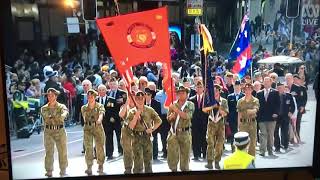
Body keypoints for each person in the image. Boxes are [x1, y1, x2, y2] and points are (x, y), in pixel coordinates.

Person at [127, 90, 162, 173]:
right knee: (137, 160)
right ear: (135, 99)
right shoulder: (132, 111)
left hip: (147, 137)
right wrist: (136, 115)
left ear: (144, 98)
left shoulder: (149, 110)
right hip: (136, 137)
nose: (140, 100)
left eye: (142, 98)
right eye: (138, 98)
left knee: (148, 160)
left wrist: (152, 129)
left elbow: (159, 121)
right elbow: (130, 126)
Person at [40, 88, 69, 177]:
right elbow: (47, 118)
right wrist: (58, 117)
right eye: (48, 95)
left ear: (56, 96)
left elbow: (65, 113)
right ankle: (49, 170)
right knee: (49, 151)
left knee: (62, 151)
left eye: (52, 95)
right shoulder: (44, 108)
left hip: (60, 131)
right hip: (49, 131)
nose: (50, 97)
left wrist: (62, 116)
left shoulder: (61, 106)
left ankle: (63, 169)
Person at [167, 86, 195, 172]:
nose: (181, 95)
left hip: (185, 132)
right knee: (172, 153)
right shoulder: (173, 104)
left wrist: (177, 110)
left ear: (187, 94)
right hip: (174, 132)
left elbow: (187, 116)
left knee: (185, 154)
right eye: (179, 93)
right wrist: (171, 116)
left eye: (183, 93)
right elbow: (168, 119)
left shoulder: (190, 104)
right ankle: (173, 169)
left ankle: (184, 170)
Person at [81, 89, 106, 175]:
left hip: (97, 128)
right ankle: (89, 166)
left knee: (99, 147)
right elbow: (84, 116)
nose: (90, 98)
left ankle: (100, 165)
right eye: (88, 96)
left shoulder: (99, 106)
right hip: (87, 128)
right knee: (88, 148)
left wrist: (99, 119)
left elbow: (101, 113)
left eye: (92, 96)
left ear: (95, 97)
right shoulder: (84, 107)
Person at [205, 84, 229, 170]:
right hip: (211, 123)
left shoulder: (224, 101)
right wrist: (211, 106)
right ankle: (209, 162)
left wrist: (218, 107)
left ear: (219, 91)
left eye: (216, 90)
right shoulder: (209, 100)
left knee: (219, 144)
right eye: (213, 91)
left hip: (220, 124)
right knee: (210, 143)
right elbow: (204, 109)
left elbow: (225, 113)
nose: (215, 92)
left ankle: (217, 161)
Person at [256, 77, 280, 156]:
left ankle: (270, 150)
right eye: (264, 82)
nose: (266, 83)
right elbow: (256, 105)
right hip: (261, 118)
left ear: (271, 82)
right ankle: (262, 151)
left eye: (267, 81)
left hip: (271, 118)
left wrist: (276, 113)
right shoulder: (259, 93)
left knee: (270, 134)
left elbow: (278, 104)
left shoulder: (275, 92)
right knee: (263, 134)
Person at [105, 78, 126, 159]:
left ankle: (121, 151)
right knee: (109, 136)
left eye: (114, 84)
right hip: (109, 119)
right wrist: (110, 117)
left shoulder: (122, 93)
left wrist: (115, 117)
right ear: (109, 85)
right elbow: (106, 107)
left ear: (117, 85)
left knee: (119, 136)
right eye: (111, 84)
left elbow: (123, 106)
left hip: (119, 118)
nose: (112, 86)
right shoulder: (107, 93)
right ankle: (109, 153)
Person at [274, 82, 295, 152]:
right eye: (279, 88)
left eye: (282, 88)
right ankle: (277, 146)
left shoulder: (289, 96)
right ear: (277, 88)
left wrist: (291, 112)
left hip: (285, 116)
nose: (280, 89)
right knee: (275, 132)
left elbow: (293, 106)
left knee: (285, 131)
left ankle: (285, 144)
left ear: (284, 88)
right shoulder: (273, 95)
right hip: (276, 117)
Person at [190, 81, 208, 160]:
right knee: (195, 139)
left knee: (204, 138)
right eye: (197, 87)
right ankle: (196, 155)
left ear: (203, 88)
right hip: (195, 123)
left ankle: (204, 154)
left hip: (205, 122)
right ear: (195, 88)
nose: (199, 89)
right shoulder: (191, 99)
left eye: (201, 87)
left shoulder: (207, 99)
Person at [119, 91, 136, 174]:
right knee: (127, 151)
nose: (132, 98)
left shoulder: (139, 107)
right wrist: (127, 103)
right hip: (126, 131)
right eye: (130, 96)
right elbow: (121, 115)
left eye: (133, 96)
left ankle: (138, 167)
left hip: (137, 131)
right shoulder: (124, 106)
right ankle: (128, 167)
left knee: (137, 150)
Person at [227, 80, 245, 152]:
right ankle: (233, 149)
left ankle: (241, 149)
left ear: (240, 86)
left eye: (238, 86)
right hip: (232, 119)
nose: (237, 87)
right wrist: (227, 120)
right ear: (233, 86)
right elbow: (228, 108)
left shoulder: (243, 96)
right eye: (235, 86)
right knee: (233, 134)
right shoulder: (229, 96)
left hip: (241, 118)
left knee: (241, 133)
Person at [144, 87, 161, 160]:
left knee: (154, 139)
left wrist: (153, 126)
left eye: (148, 94)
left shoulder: (156, 103)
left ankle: (155, 155)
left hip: (153, 124)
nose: (146, 96)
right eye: (145, 94)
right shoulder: (142, 103)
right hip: (144, 125)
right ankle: (146, 154)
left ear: (151, 95)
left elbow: (158, 115)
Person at [155, 81, 170, 158]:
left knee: (171, 135)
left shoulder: (172, 94)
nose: (165, 85)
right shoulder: (158, 95)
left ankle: (172, 151)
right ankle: (165, 151)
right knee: (163, 135)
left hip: (171, 117)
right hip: (162, 117)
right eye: (164, 84)